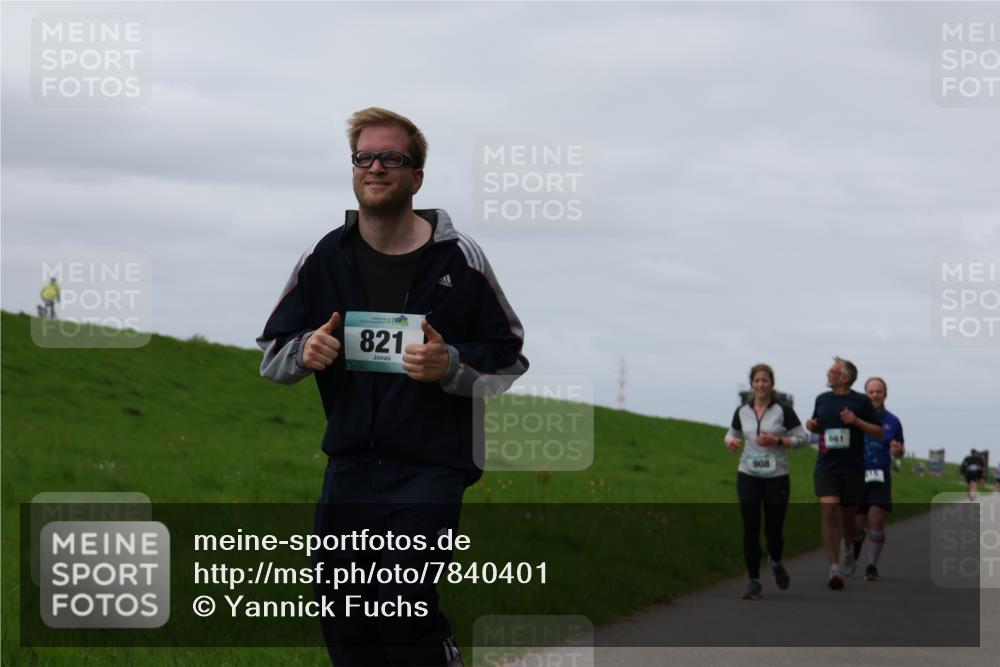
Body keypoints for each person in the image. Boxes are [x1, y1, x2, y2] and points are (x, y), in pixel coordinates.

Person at [257, 107, 529, 667]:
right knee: (344, 612)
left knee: (403, 605)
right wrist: (306, 348)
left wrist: (449, 364)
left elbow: (509, 357)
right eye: (364, 157)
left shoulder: (461, 259)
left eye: (392, 158)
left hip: (431, 467)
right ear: (353, 169)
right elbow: (273, 354)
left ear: (416, 177)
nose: (375, 166)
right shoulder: (323, 256)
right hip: (351, 465)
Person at [725, 364, 809, 600]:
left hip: (777, 476)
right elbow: (732, 433)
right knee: (750, 526)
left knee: (773, 529)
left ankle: (775, 560)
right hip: (748, 474)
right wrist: (730, 441)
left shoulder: (783, 410)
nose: (761, 385)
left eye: (765, 381)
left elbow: (802, 438)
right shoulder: (742, 410)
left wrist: (779, 440)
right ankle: (754, 580)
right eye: (757, 381)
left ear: (772, 384)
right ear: (751, 384)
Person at [805, 357, 885, 590]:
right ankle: (834, 567)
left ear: (844, 378)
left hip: (852, 468)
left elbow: (878, 431)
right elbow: (821, 425)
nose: (828, 374)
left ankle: (849, 546)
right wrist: (813, 426)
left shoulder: (860, 401)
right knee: (829, 510)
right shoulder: (822, 399)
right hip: (826, 466)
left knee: (849, 519)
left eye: (832, 371)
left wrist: (856, 420)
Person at [850, 377, 905, 582]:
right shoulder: (855, 418)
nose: (874, 395)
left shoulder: (893, 421)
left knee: (877, 517)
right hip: (856, 475)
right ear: (866, 395)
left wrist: (899, 451)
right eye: (871, 392)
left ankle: (871, 565)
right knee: (855, 523)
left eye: (878, 391)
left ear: (885, 394)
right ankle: (856, 541)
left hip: (880, 475)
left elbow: (899, 450)